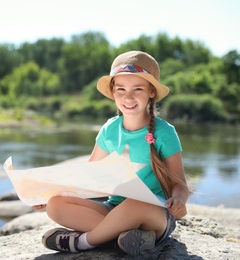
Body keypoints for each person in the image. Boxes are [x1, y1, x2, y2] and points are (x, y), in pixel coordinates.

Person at [35, 50, 190, 255]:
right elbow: (87, 176)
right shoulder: (109, 129)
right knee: (55, 205)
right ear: (113, 91)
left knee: (136, 204)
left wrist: (179, 200)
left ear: (151, 92)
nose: (128, 96)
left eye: (137, 89)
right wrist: (47, 194)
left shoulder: (165, 132)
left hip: (154, 213)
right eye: (121, 89)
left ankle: (85, 242)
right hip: (113, 209)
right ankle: (126, 238)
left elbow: (180, 185)